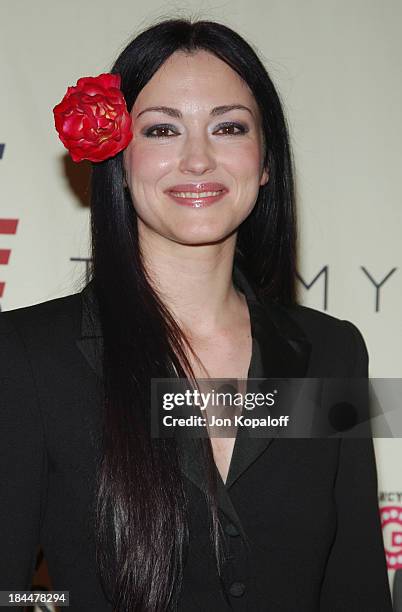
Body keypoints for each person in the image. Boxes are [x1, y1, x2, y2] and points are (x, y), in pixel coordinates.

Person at [0, 17, 392, 612]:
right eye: (162, 130)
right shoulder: (29, 354)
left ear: (265, 162)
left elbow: (355, 585)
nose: (198, 160)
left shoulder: (332, 352)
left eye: (229, 127)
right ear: (118, 162)